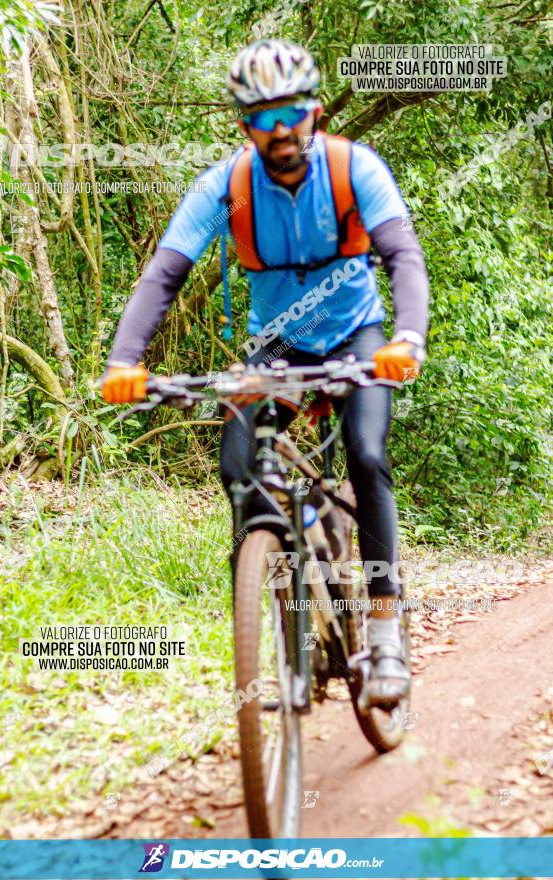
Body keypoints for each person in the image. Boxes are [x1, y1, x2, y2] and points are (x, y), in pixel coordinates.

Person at [100, 39, 429, 707]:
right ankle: (271, 618)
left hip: (357, 338)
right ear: (243, 124)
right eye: (263, 117)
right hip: (275, 348)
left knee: (366, 455)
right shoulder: (223, 185)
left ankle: (386, 628)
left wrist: (405, 337)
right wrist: (123, 360)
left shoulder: (354, 168)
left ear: (314, 113)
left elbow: (402, 257)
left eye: (291, 113)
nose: (280, 131)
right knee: (238, 467)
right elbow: (163, 275)